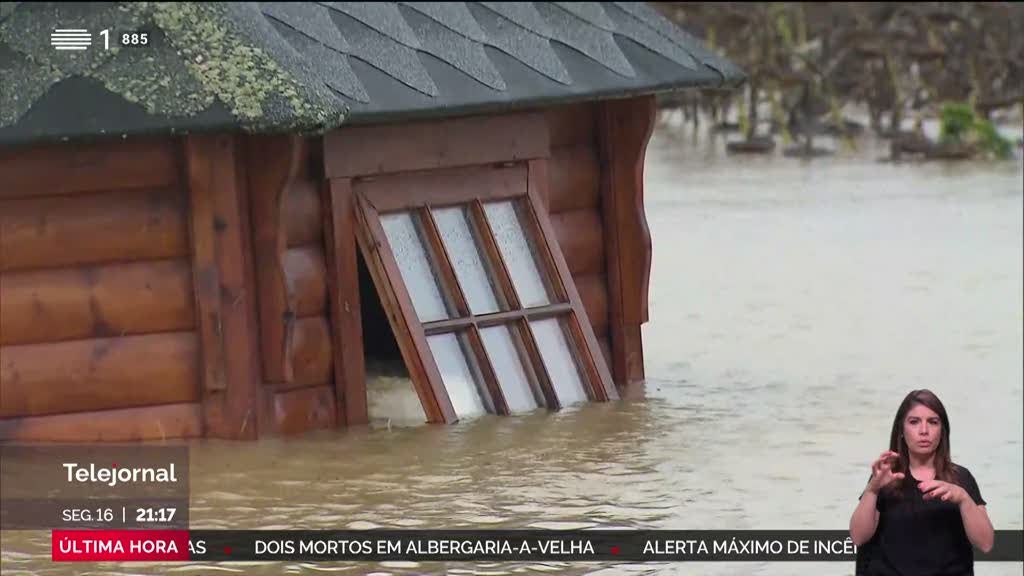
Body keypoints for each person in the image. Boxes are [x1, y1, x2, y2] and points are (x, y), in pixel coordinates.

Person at [849, 389, 994, 575]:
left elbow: (986, 543)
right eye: (914, 422)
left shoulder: (961, 478)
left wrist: (963, 499)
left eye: (933, 422)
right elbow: (858, 537)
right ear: (901, 429)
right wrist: (872, 490)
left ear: (942, 431)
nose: (924, 431)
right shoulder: (886, 477)